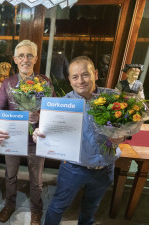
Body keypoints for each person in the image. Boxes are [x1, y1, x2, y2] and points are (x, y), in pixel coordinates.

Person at [33, 56, 125, 225]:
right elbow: (47, 131)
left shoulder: (113, 98)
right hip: (73, 169)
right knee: (58, 207)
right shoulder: (62, 104)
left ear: (95, 74)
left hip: (105, 168)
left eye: (85, 75)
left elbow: (126, 125)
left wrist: (123, 135)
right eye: (75, 77)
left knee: (91, 207)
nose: (80, 81)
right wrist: (38, 133)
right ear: (69, 80)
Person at [0, 40, 49, 225]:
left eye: (30, 55)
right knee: (10, 175)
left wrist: (39, 116)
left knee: (36, 180)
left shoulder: (44, 82)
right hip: (12, 139)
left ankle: (36, 210)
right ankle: (10, 204)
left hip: (35, 140)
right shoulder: (8, 83)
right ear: (15, 59)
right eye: (21, 55)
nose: (25, 59)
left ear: (36, 58)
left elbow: (52, 111)